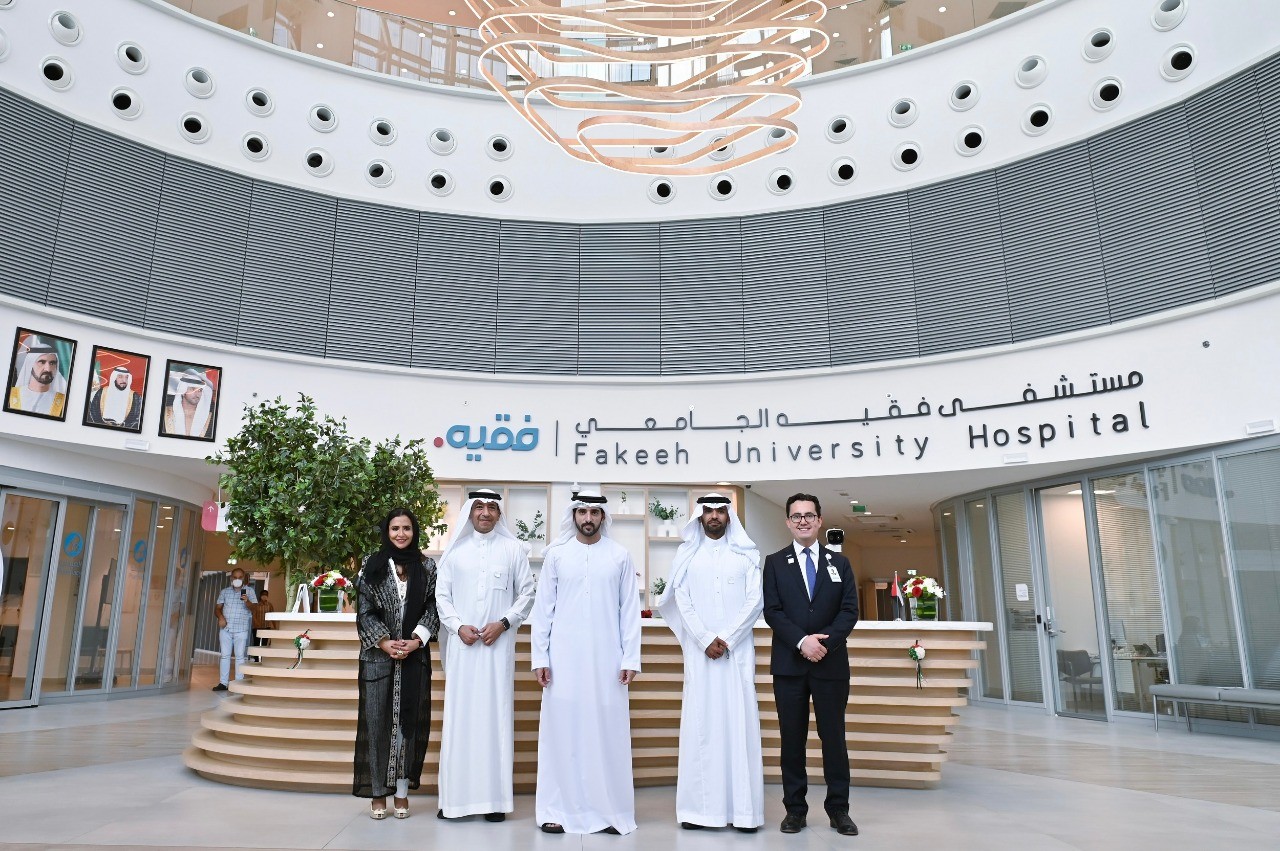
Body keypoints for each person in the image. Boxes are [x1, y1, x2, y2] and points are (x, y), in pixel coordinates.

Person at [530, 492, 641, 835]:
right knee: (561, 733)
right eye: (582, 512)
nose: (588, 518)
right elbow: (543, 610)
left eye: (594, 512)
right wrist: (540, 657)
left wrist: (630, 657)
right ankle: (555, 809)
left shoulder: (619, 556)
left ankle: (610, 812)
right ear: (574, 516)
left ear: (603, 516)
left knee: (606, 734)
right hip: (562, 661)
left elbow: (630, 611)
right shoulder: (557, 556)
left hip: (608, 661)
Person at [657, 493, 764, 832]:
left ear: (729, 516)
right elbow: (680, 600)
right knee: (701, 727)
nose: (714, 516)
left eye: (720, 511)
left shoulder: (746, 554)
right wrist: (704, 639)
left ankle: (744, 813)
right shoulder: (687, 555)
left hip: (737, 655)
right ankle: (698, 812)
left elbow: (755, 601)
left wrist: (728, 638)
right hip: (700, 655)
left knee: (739, 725)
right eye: (709, 511)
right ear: (699, 517)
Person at [435, 488, 536, 822]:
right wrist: (457, 626)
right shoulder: (456, 552)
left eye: (492, 507)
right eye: (479, 507)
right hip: (463, 649)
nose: (485, 513)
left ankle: (494, 802)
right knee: (460, 720)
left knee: (495, 720)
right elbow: (442, 596)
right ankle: (454, 801)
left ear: (499, 514)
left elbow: (527, 594)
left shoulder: (513, 550)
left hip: (497, 649)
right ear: (470, 512)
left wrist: (503, 624)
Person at [762, 494, 860, 836]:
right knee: (792, 740)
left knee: (834, 739)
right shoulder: (775, 563)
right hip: (789, 666)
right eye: (796, 516)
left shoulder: (840, 563)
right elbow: (772, 611)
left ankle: (839, 810)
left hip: (830, 665)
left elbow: (849, 610)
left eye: (808, 515)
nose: (802, 521)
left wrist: (825, 643)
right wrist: (802, 641)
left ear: (819, 520)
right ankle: (795, 810)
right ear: (788, 522)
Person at [354, 508, 439, 821]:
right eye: (394, 528)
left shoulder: (427, 566)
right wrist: (383, 641)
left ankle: (401, 793)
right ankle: (378, 793)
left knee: (408, 726)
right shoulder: (372, 564)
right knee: (377, 725)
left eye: (406, 528)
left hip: (415, 658)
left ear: (414, 531)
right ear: (386, 532)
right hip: (378, 658)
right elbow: (364, 609)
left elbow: (434, 606)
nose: (401, 534)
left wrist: (417, 639)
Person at [212, 567, 257, 692]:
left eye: (240, 577)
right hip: (226, 629)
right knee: (225, 656)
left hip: (241, 629)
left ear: (244, 578)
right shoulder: (225, 592)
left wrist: (247, 601)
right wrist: (220, 617)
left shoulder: (249, 591)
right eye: (235, 577)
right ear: (231, 578)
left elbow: (255, 609)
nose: (237, 579)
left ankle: (238, 683)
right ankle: (223, 683)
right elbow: (217, 608)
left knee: (239, 657)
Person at [7, 336, 67, 417]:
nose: (48, 369)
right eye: (42, 362)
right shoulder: (10, 395)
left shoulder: (63, 402)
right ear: (30, 365)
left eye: (52, 363)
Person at [86, 365, 143, 430]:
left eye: (126, 377)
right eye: (120, 377)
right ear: (114, 378)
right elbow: (94, 411)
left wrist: (123, 427)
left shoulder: (135, 397)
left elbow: (137, 419)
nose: (124, 380)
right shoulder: (102, 392)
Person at [162, 368, 214, 438]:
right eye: (193, 389)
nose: (197, 393)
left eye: (200, 390)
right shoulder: (165, 413)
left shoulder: (210, 418)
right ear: (183, 391)